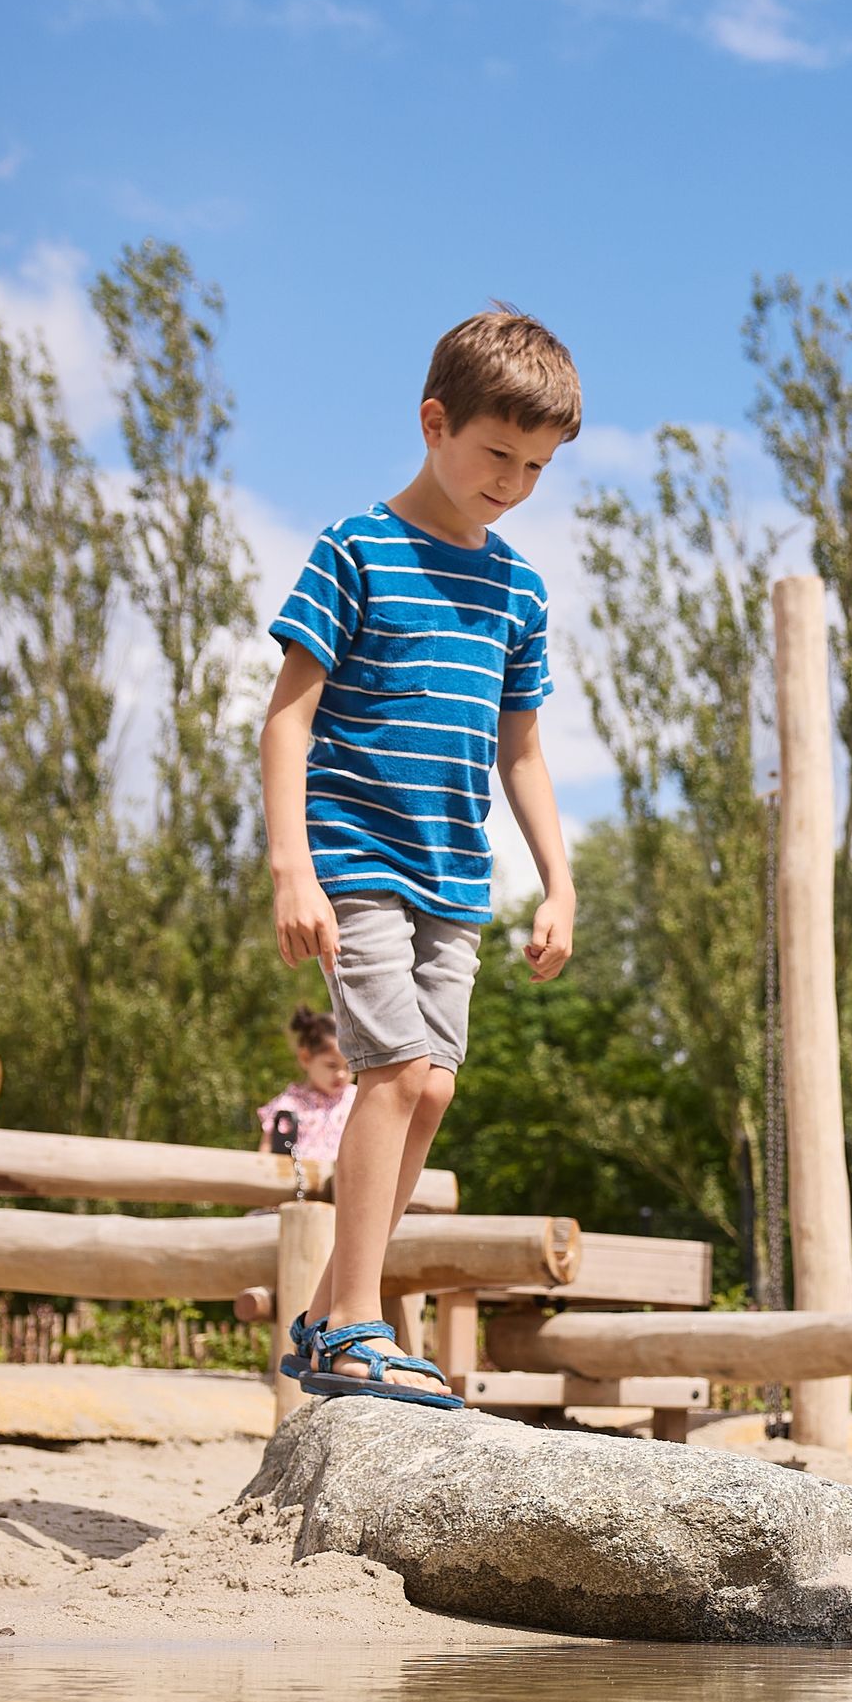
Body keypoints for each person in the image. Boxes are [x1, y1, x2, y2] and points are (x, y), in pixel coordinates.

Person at [261, 308, 582, 1405]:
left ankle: (325, 1314)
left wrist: (559, 879)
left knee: (432, 1087)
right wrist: (290, 866)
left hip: (457, 876)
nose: (513, 482)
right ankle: (355, 1315)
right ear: (435, 422)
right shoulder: (356, 548)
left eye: (537, 467)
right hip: (354, 854)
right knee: (389, 1072)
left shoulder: (519, 591)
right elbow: (286, 721)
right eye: (498, 454)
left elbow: (521, 748)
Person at [256, 1007, 355, 1164]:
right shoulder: (288, 1105)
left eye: (349, 1066)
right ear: (306, 1058)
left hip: (348, 1184)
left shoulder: (357, 1099)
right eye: (331, 1065)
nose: (341, 1074)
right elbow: (266, 1156)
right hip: (300, 1184)